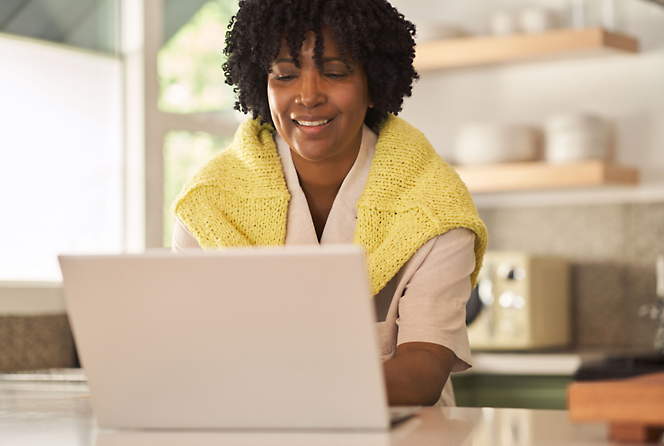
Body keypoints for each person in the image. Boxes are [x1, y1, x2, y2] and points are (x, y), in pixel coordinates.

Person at [171, 0, 488, 407]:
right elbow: (192, 357)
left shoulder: (436, 210)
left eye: (335, 72)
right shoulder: (208, 206)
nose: (307, 95)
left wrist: (283, 386)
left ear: (374, 82)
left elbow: (423, 370)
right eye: (285, 75)